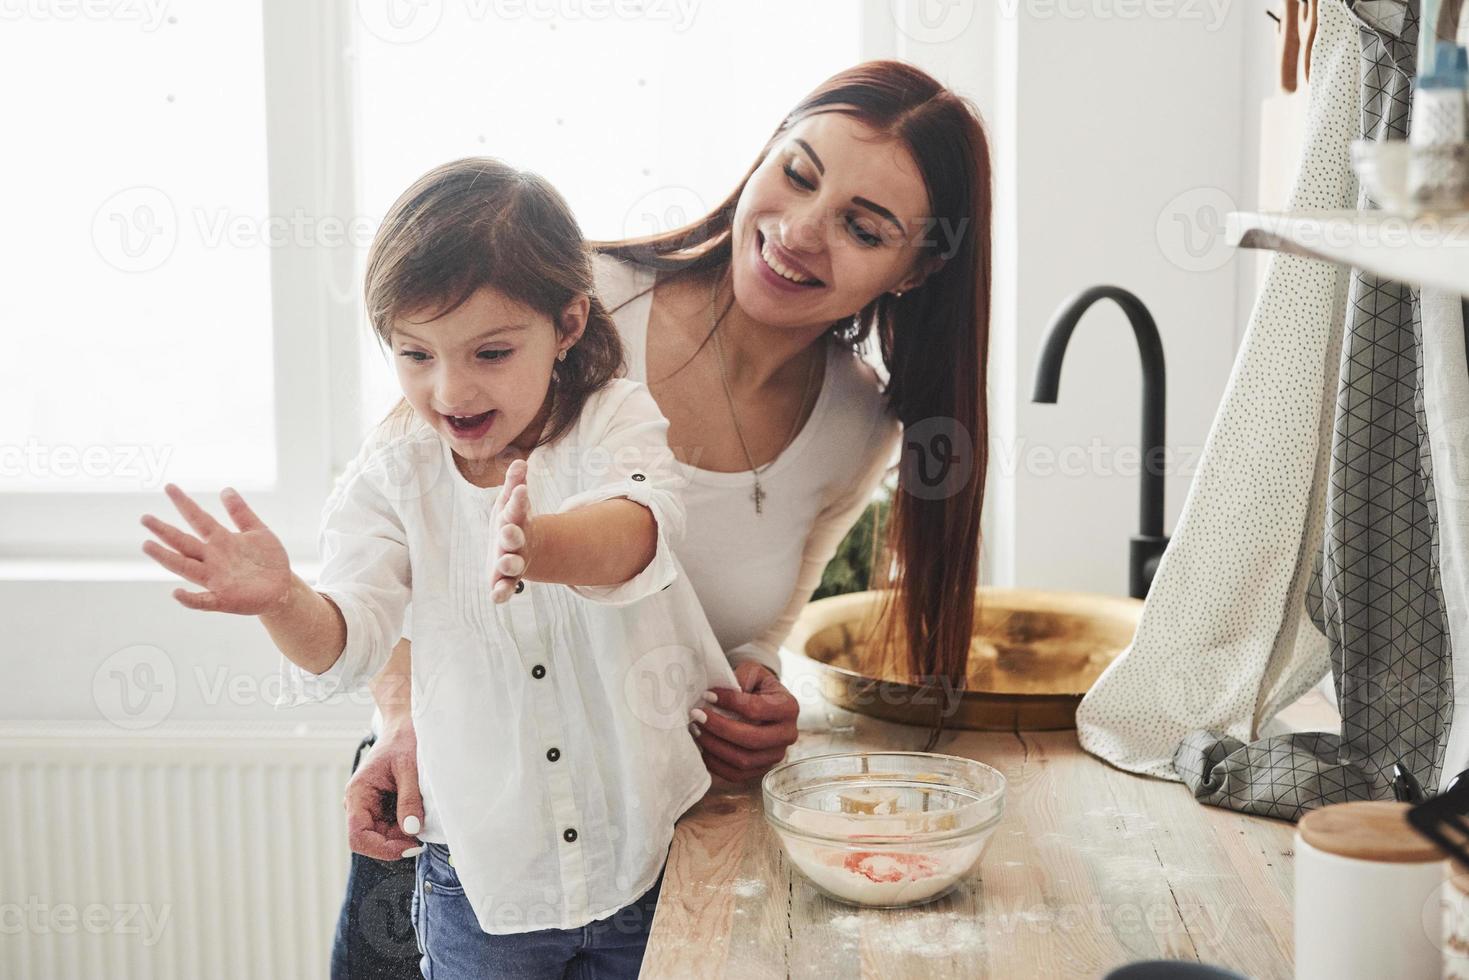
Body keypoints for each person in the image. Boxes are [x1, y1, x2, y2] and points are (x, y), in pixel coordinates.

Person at [337, 59, 994, 978]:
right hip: (468, 831)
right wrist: (401, 718)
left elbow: (765, 608)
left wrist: (759, 682)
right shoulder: (577, 299)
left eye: (861, 225)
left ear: (918, 267)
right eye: (797, 173)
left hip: (649, 845)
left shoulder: (859, 422)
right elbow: (397, 515)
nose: (800, 231)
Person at [141, 157, 742, 979]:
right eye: (414, 354)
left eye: (490, 352)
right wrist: (283, 600)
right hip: (484, 883)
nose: (449, 387)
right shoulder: (391, 478)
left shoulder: (613, 417)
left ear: (567, 325)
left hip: (645, 850)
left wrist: (544, 546)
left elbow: (642, 529)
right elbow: (346, 643)